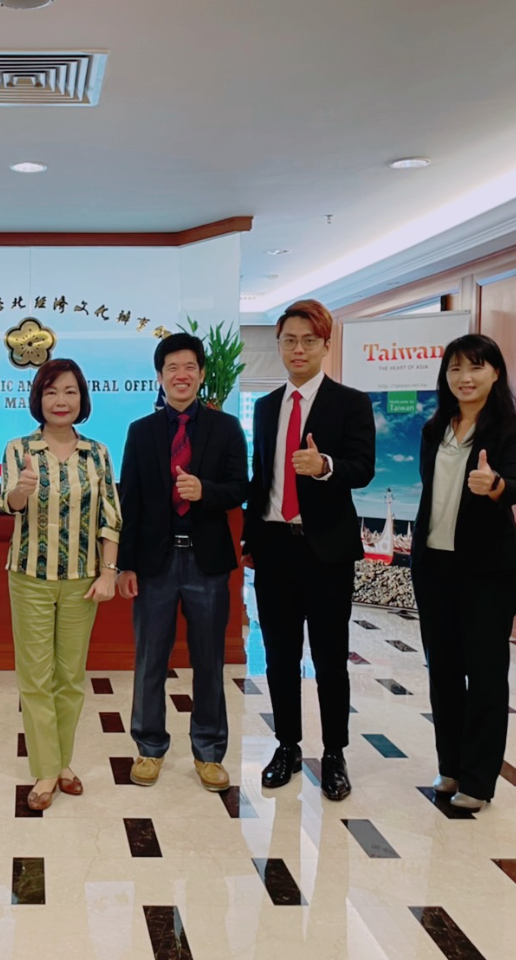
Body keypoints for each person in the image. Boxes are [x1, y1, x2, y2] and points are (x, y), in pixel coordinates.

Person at [244, 299, 375, 802]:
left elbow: (362, 468)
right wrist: (251, 536)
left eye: (308, 340)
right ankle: (287, 745)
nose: (298, 349)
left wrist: (323, 465)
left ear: (325, 344)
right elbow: (263, 477)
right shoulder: (264, 405)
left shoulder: (350, 403)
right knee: (278, 656)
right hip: (275, 547)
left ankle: (335, 753)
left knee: (328, 659)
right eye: (289, 340)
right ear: (278, 345)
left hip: (326, 551)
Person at [117, 333, 249, 792]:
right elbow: (128, 502)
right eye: (172, 367)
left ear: (201, 374)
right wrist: (125, 565)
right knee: (150, 659)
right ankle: (149, 748)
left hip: (206, 564)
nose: (181, 375)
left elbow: (240, 487)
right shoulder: (140, 431)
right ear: (159, 376)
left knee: (209, 660)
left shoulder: (226, 428)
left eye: (190, 366)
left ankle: (209, 752)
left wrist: (205, 491)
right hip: (154, 562)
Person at [412, 334, 516, 811]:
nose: (465, 378)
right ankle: (451, 767)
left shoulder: (511, 430)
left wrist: (495, 484)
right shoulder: (433, 429)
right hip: (434, 563)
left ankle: (479, 780)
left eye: (476, 368)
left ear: (495, 373)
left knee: (484, 674)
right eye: (456, 369)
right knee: (442, 670)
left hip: (487, 569)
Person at [0, 359, 122, 810]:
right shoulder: (19, 449)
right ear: (38, 399)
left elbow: (110, 515)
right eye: (51, 392)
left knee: (70, 677)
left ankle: (62, 760)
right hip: (30, 576)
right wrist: (22, 491)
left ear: (82, 398)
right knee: (35, 677)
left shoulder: (98, 453)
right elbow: (8, 503)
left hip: (83, 579)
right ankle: (47, 769)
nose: (61, 401)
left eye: (69, 391)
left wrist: (109, 572)